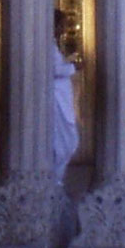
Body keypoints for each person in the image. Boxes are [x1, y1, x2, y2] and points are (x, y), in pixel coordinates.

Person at [50, 10, 79, 186]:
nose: (63, 29)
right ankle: (54, 182)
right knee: (63, 144)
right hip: (55, 101)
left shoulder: (52, 45)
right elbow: (53, 70)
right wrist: (73, 67)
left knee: (68, 142)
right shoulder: (46, 44)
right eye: (61, 25)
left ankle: (56, 180)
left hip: (61, 99)